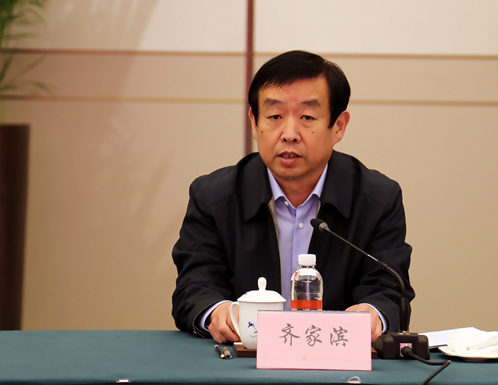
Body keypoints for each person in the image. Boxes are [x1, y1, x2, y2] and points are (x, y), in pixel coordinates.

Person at [172, 50, 414, 344]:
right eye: (274, 116)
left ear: (338, 126)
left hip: (335, 362)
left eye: (307, 117)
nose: (289, 133)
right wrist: (215, 311)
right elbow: (194, 286)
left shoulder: (377, 199)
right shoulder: (213, 197)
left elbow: (389, 289)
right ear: (254, 122)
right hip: (241, 363)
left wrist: (374, 313)